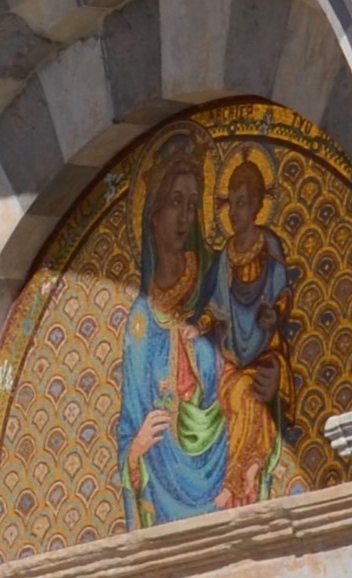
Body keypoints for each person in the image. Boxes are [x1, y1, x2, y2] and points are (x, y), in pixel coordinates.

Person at [116, 135, 231, 528]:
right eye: (175, 203)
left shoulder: (215, 278)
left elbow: (242, 353)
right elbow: (131, 419)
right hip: (164, 477)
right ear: (153, 212)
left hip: (222, 461)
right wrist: (136, 449)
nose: (185, 217)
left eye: (192, 205)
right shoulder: (140, 320)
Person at [204, 152, 299, 499]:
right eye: (231, 203)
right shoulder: (225, 256)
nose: (235, 211)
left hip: (266, 349)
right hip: (232, 352)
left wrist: (274, 313)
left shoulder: (269, 245)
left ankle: (248, 472)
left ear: (258, 205)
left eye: (242, 203)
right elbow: (215, 305)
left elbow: (282, 292)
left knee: (252, 397)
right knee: (234, 394)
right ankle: (237, 476)